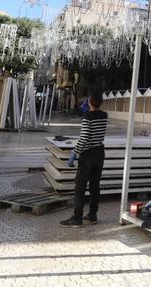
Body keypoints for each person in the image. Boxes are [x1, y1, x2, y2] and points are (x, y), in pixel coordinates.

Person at [60, 92, 108, 228]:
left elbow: (84, 138)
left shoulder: (88, 117)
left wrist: (74, 153)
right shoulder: (104, 116)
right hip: (99, 153)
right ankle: (93, 215)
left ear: (89, 102)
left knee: (80, 187)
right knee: (94, 186)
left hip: (87, 155)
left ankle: (77, 218)